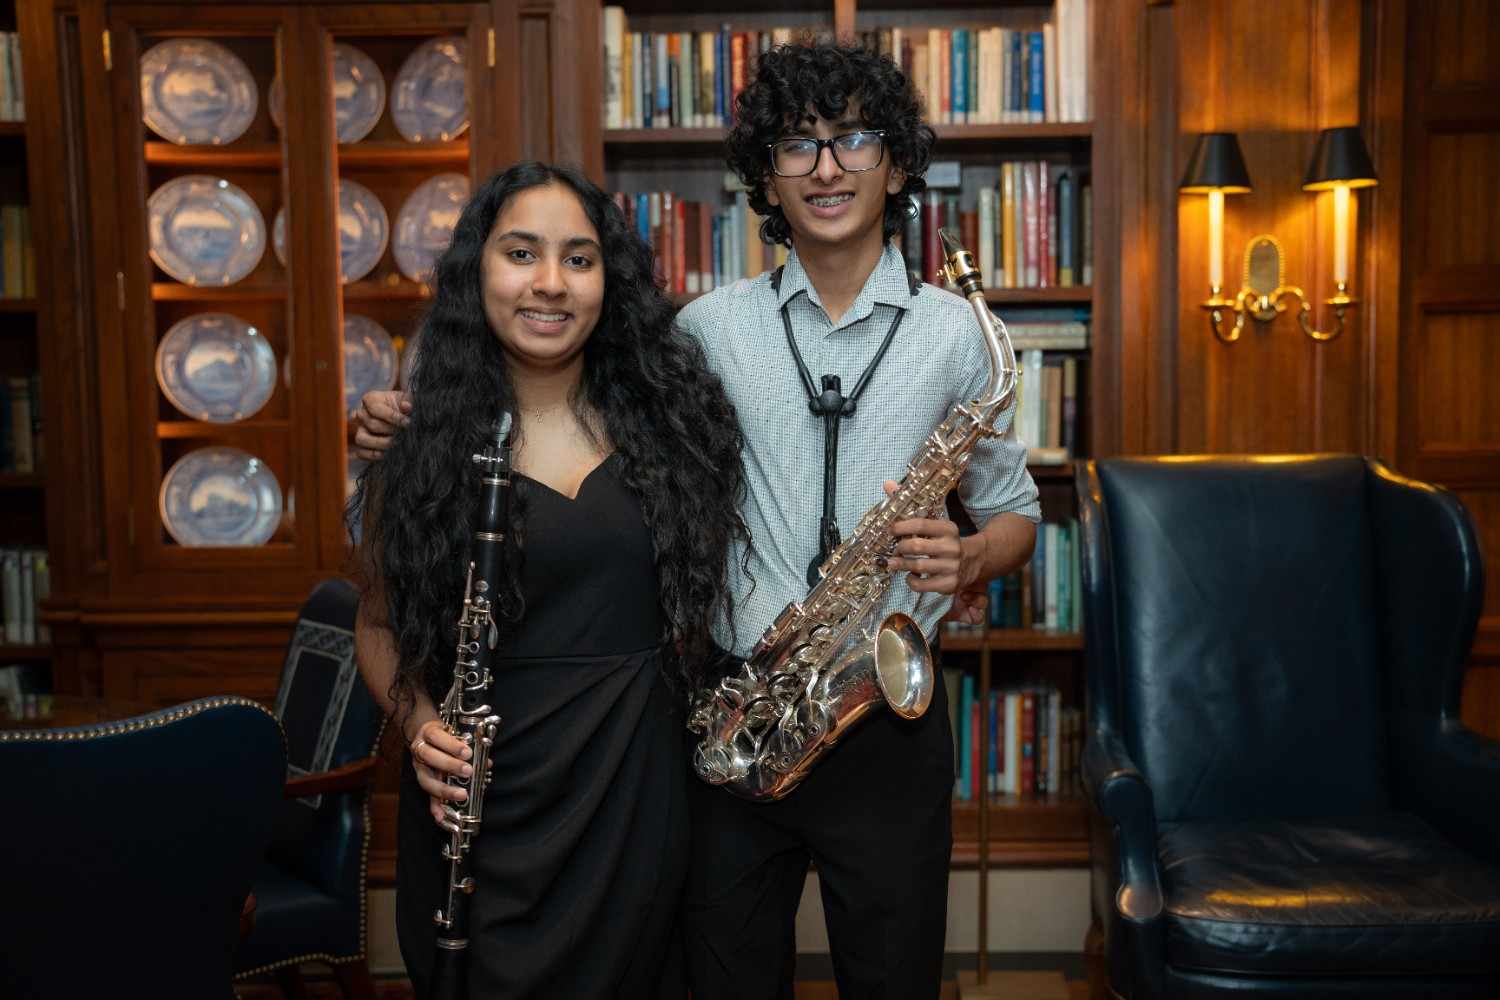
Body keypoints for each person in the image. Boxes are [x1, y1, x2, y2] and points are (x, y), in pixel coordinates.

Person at [357, 40, 1040, 999]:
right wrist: (409, 416)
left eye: (855, 139)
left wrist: (967, 556)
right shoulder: (704, 328)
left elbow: (1017, 516)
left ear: (897, 163)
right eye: (798, 146)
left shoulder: (962, 337)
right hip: (730, 716)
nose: (829, 166)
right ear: (765, 174)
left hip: (883, 718)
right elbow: (559, 379)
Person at [351, 161, 747, 999]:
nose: (550, 284)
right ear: (477, 272)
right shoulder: (415, 446)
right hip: (486, 799)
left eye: (578, 258)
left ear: (610, 280)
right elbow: (378, 626)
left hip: (635, 790)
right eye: (521, 253)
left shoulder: (668, 427)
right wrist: (419, 725)